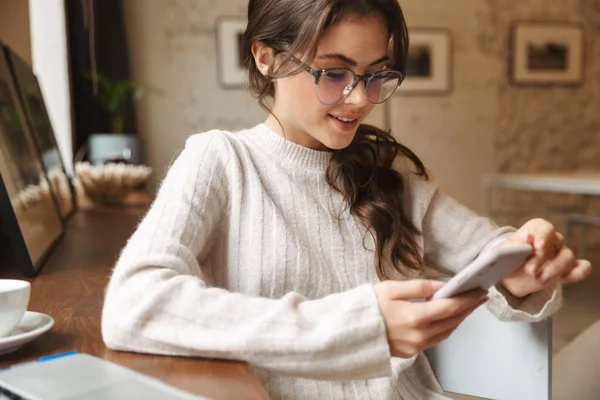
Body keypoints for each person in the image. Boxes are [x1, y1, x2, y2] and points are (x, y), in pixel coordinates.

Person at [101, 0, 592, 398]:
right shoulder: (221, 161)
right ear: (265, 56)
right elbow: (133, 305)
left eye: (376, 74)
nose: (360, 100)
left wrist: (526, 264)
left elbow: (492, 249)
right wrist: (360, 327)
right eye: (333, 73)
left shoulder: (389, 173)